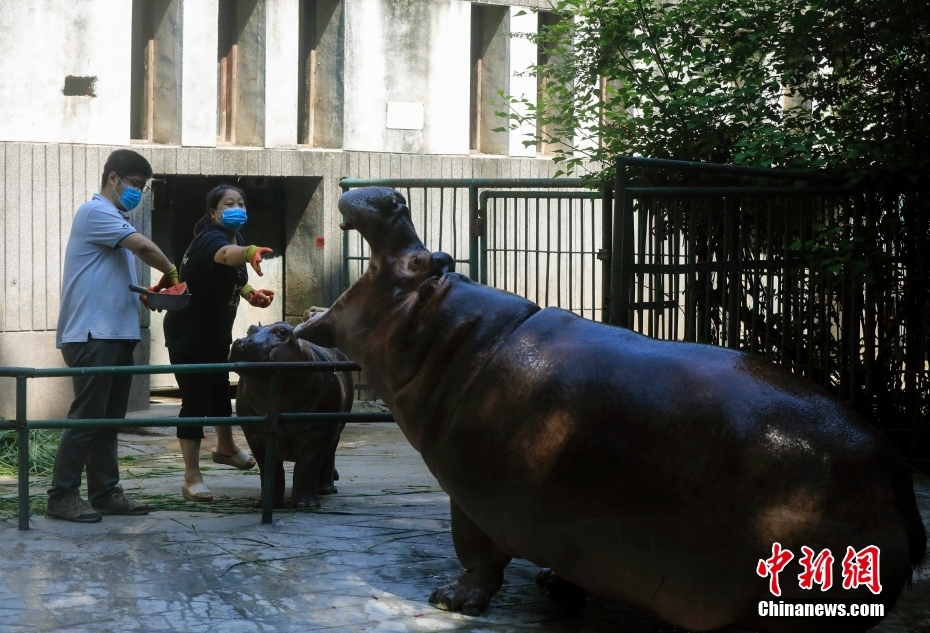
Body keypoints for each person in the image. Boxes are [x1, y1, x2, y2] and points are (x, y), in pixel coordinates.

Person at [48, 149, 179, 523]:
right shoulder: (96, 212)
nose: (138, 193)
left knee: (107, 421)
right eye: (135, 185)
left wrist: (146, 294)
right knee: (88, 419)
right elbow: (145, 247)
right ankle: (61, 496)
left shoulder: (115, 220)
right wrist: (172, 273)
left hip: (115, 335)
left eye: (143, 188)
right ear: (112, 178)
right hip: (93, 335)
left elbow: (106, 279)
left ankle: (105, 493)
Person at [163, 185, 275, 502]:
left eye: (241, 202)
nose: (237, 207)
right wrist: (252, 251)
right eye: (229, 203)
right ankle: (190, 477)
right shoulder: (213, 239)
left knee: (219, 390)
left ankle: (225, 447)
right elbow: (226, 257)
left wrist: (248, 292)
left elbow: (227, 272)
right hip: (188, 334)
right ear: (214, 213)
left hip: (214, 332)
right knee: (195, 403)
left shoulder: (233, 236)